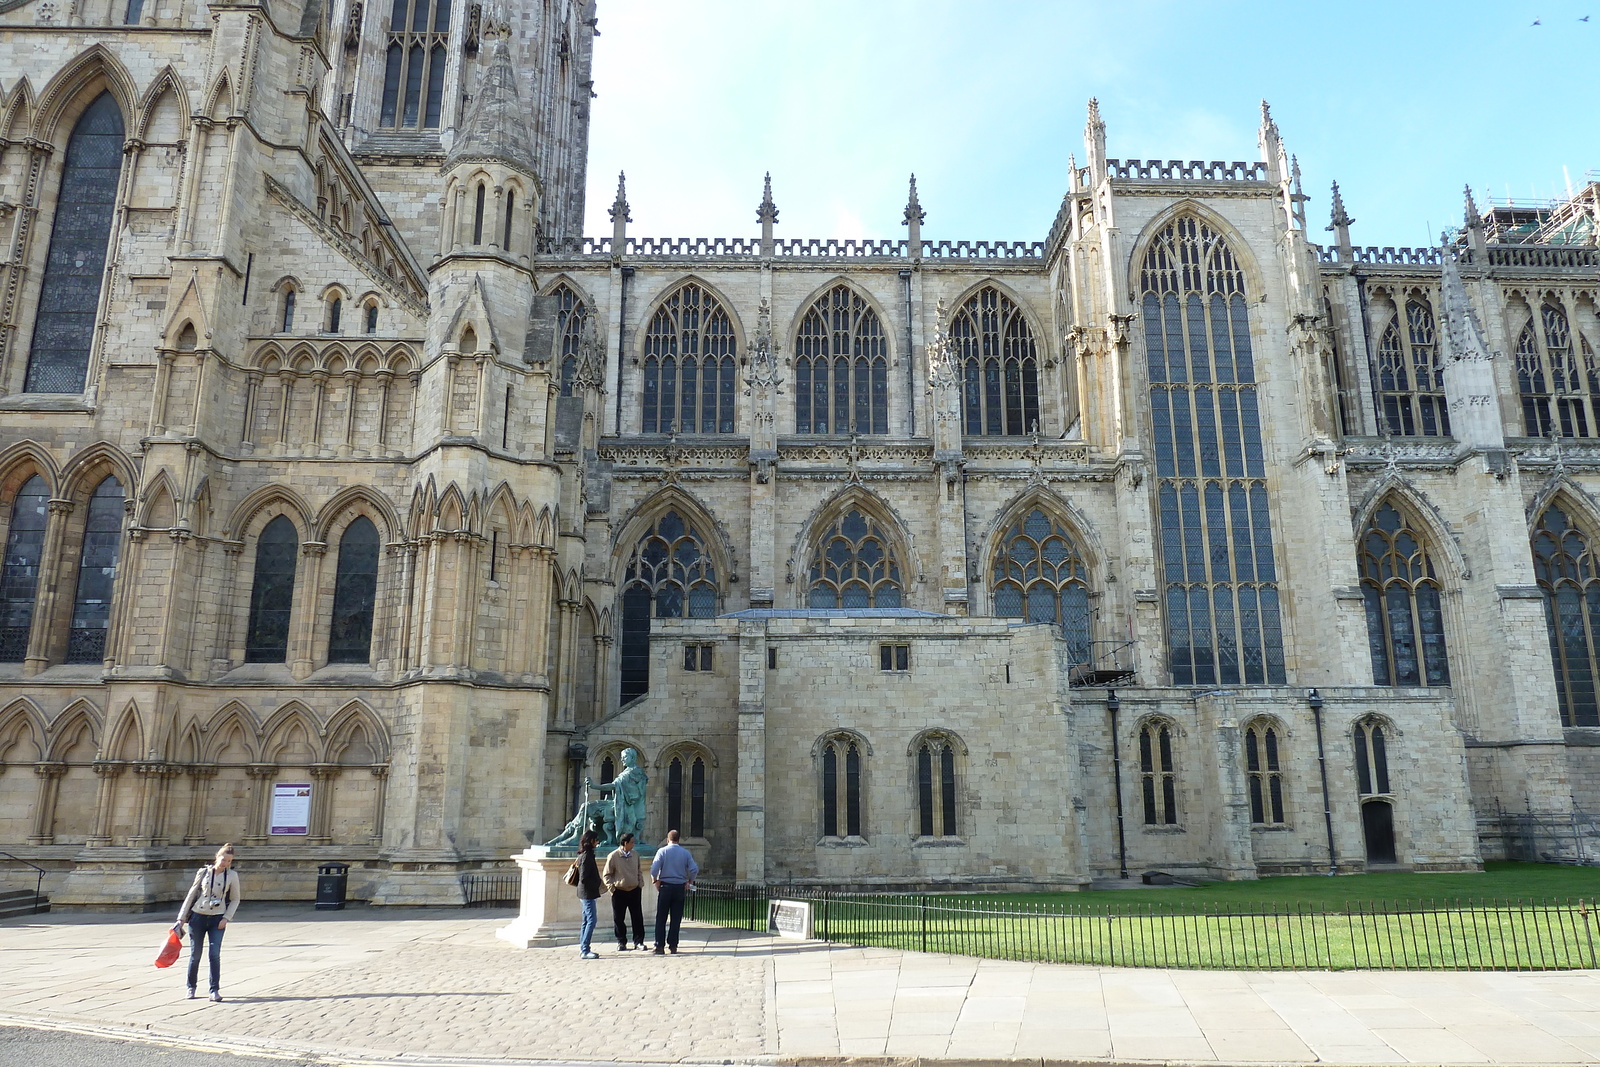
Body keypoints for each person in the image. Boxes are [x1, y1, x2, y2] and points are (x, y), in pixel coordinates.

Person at [175, 843, 241, 1001]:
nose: (225, 863)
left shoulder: (232, 876)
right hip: (198, 916)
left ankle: (214, 990)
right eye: (223, 859)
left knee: (214, 954)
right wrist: (181, 919)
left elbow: (235, 899)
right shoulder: (203, 872)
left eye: (229, 861)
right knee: (195, 954)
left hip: (217, 918)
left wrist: (227, 918)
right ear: (217, 857)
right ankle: (191, 987)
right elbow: (191, 895)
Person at [650, 829, 698, 955]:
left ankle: (659, 945)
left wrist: (655, 880)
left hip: (665, 887)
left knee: (661, 918)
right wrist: (690, 882)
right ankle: (673, 945)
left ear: (667, 839)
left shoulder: (662, 851)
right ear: (679, 840)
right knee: (676, 918)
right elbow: (694, 869)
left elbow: (654, 869)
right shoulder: (685, 853)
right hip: (679, 888)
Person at [603, 831, 645, 950]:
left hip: (634, 890)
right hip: (619, 891)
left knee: (637, 917)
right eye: (632, 842)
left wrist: (640, 883)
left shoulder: (635, 855)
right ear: (625, 843)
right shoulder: (613, 856)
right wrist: (612, 888)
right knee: (619, 918)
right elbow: (607, 874)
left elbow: (639, 870)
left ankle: (639, 941)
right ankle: (621, 941)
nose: (634, 844)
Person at [574, 829, 602, 959]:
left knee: (586, 920)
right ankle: (585, 949)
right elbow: (584, 878)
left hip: (587, 893)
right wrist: (596, 884)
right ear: (591, 841)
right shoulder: (586, 856)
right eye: (596, 840)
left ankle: (584, 948)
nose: (597, 842)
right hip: (587, 893)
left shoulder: (588, 854)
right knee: (591, 920)